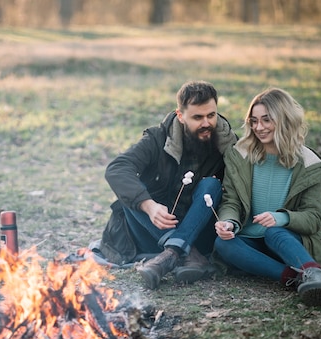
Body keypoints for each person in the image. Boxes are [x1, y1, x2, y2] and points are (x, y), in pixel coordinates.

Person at [213, 87, 321, 307]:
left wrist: (282, 218)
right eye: (254, 121)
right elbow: (231, 201)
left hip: (290, 243)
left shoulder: (308, 163)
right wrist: (229, 222)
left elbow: (314, 217)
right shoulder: (240, 156)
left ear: (284, 119)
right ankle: (298, 279)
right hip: (253, 246)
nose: (259, 127)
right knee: (223, 244)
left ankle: (314, 275)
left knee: (274, 232)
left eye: (267, 120)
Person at [100, 81, 238, 290]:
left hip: (201, 231)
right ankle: (189, 254)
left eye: (211, 115)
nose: (206, 123)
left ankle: (173, 253)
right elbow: (117, 168)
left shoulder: (228, 144)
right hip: (155, 232)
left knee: (211, 185)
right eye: (197, 117)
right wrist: (149, 206)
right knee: (130, 195)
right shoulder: (157, 138)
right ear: (180, 116)